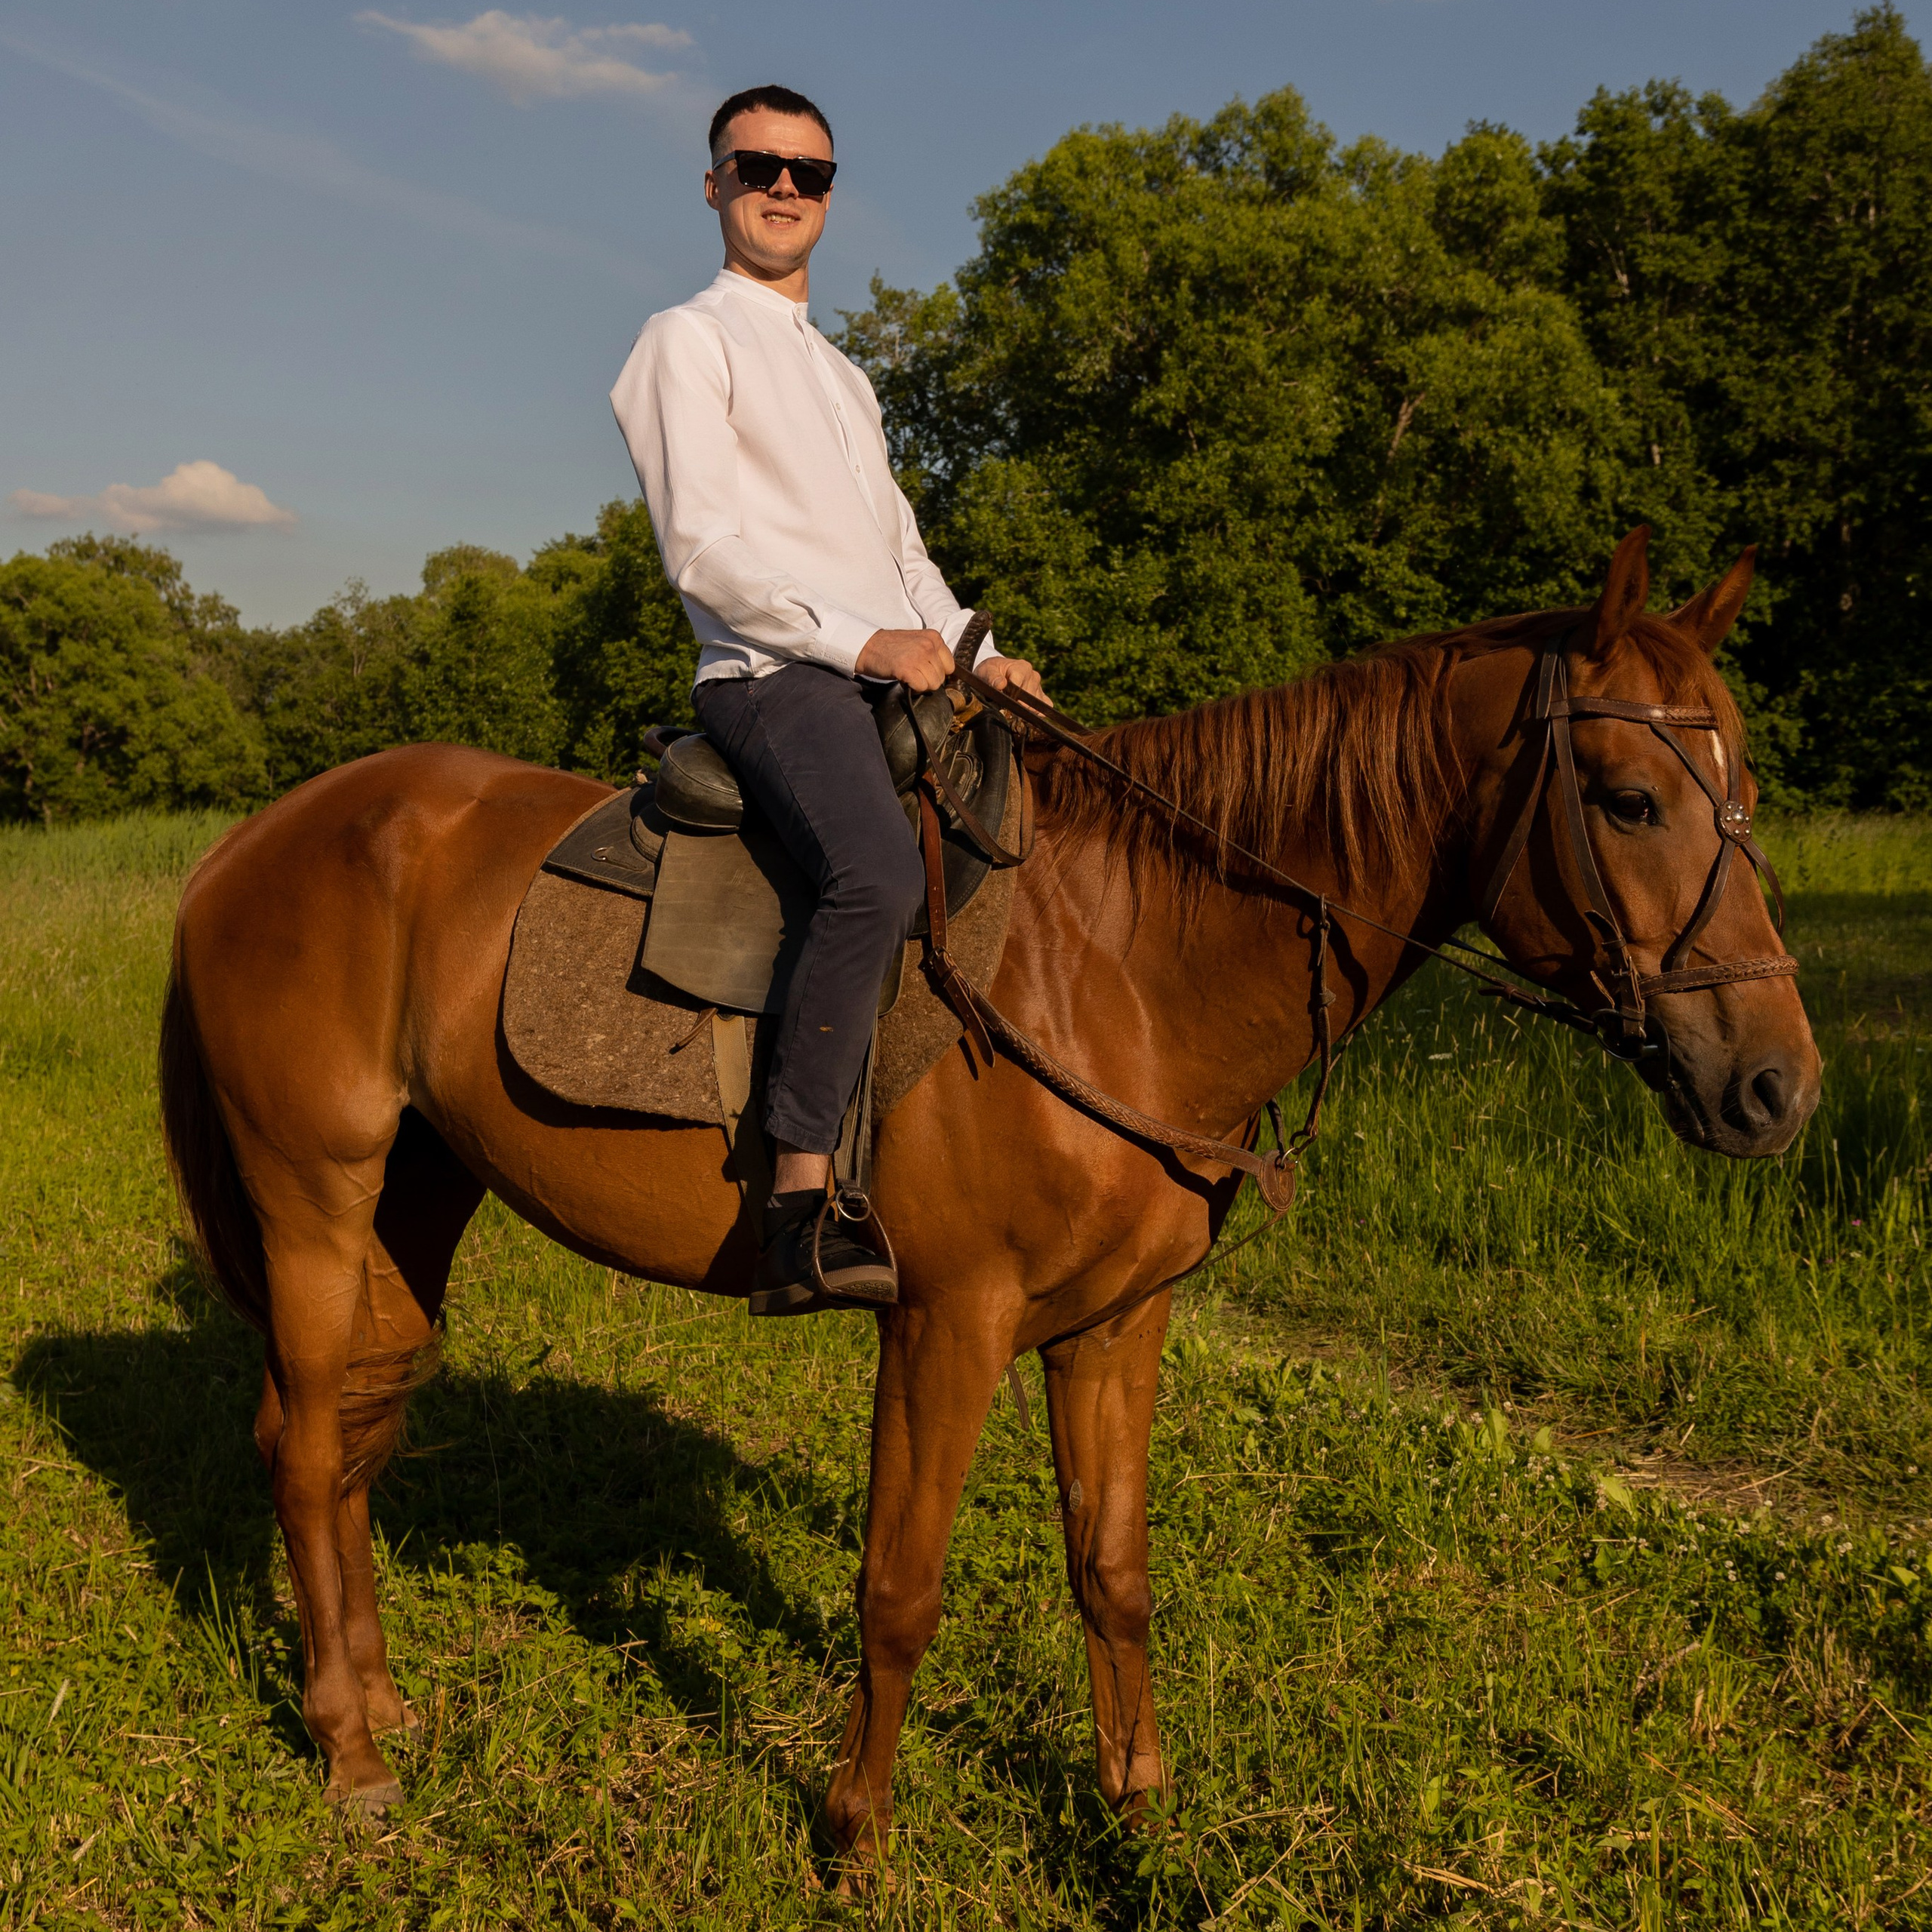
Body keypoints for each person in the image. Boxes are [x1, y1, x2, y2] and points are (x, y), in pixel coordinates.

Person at [610, 84, 1048, 1312]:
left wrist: (976, 649)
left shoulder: (846, 378)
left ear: (831, 195)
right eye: (758, 166)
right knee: (878, 874)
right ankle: (800, 1196)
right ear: (715, 187)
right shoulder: (683, 343)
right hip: (770, 677)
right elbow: (705, 553)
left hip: (885, 660)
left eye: (810, 172)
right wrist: (865, 645)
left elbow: (898, 547)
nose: (784, 187)